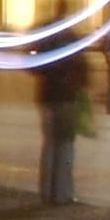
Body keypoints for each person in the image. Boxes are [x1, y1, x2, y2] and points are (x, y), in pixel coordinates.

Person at [33, 25, 89, 205]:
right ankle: (62, 193)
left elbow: (33, 66)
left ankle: (47, 192)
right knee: (65, 146)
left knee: (50, 145)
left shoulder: (47, 41)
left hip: (48, 97)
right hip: (65, 98)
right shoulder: (73, 40)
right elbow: (84, 69)